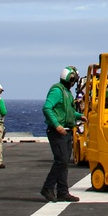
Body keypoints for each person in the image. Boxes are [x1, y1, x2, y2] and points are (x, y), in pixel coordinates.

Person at [41, 66, 84, 203]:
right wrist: (57, 125)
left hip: (66, 131)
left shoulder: (67, 92)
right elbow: (47, 108)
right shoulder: (57, 91)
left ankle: (62, 192)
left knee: (64, 162)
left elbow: (68, 111)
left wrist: (79, 116)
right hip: (57, 132)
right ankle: (47, 188)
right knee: (61, 161)